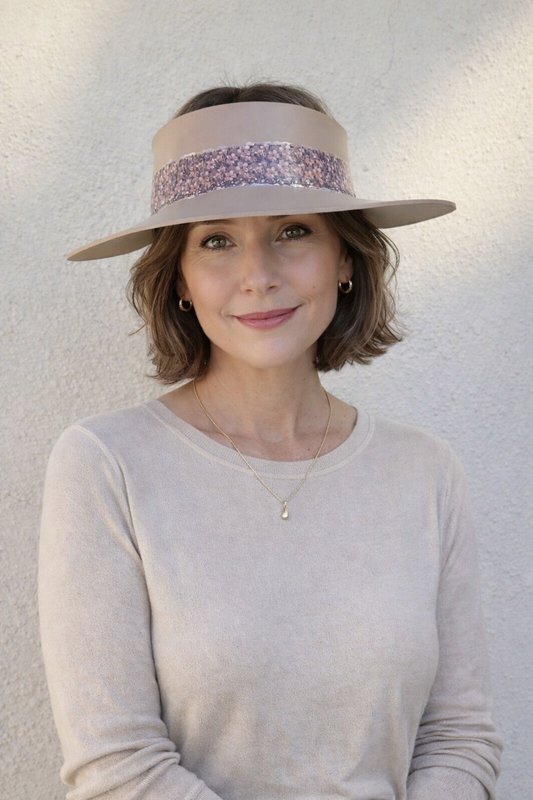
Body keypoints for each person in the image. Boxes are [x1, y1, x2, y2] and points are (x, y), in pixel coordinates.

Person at [38, 82, 504, 800]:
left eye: (292, 231)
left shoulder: (422, 470)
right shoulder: (108, 465)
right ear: (182, 281)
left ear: (345, 260)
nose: (258, 276)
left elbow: (458, 738)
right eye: (217, 240)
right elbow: (116, 764)